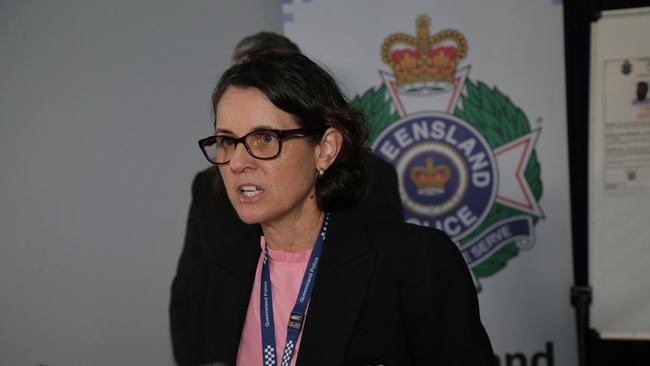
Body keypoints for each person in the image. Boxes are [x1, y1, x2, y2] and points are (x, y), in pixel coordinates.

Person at [171, 52, 493, 366]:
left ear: (325, 150)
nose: (238, 162)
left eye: (265, 138)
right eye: (227, 141)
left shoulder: (414, 263)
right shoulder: (221, 273)